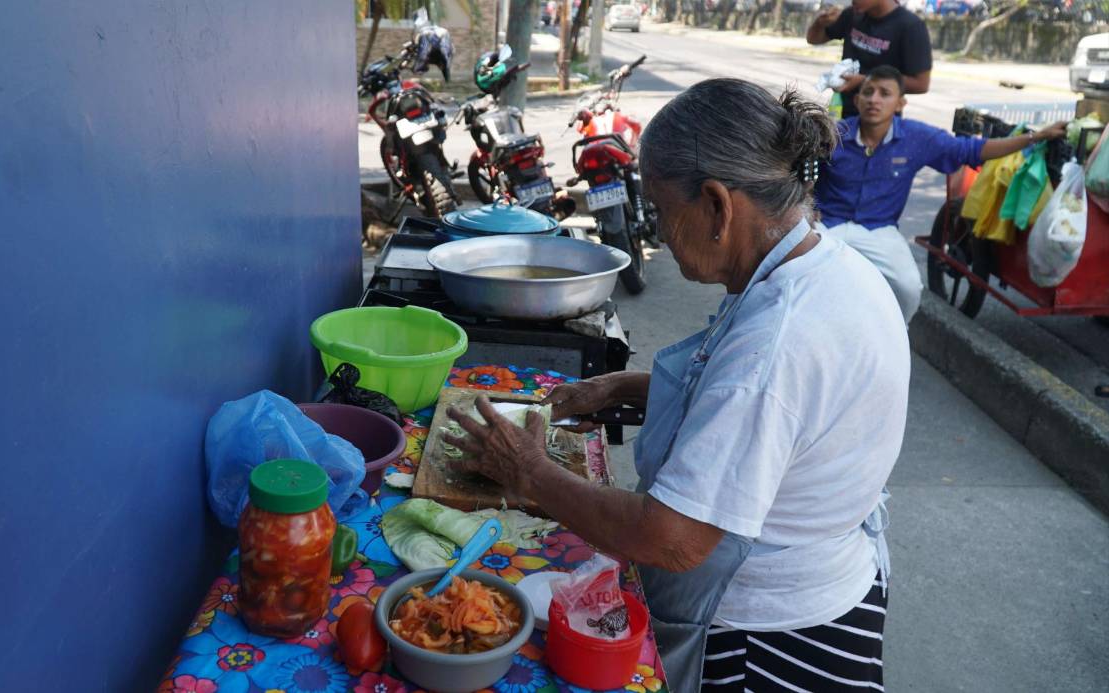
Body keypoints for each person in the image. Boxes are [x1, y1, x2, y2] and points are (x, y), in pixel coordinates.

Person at [444, 79, 910, 690]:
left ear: (718, 205)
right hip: (839, 579)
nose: (658, 232)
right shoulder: (832, 261)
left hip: (767, 634)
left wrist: (528, 470)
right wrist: (626, 387)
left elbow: (673, 539)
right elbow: (767, 419)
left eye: (663, 210)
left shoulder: (775, 345)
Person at [814, 65, 1068, 323]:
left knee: (909, 287)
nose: (874, 99)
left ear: (900, 103)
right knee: (798, 278)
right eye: (868, 92)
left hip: (877, 229)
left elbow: (972, 149)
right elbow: (798, 171)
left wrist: (1035, 137)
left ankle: (893, 343)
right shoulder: (834, 134)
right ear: (856, 100)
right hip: (826, 223)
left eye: (884, 93)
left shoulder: (916, 137)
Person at [807, 0, 932, 118]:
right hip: (843, 113)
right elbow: (814, 39)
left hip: (880, 121)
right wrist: (819, 23)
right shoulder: (852, 14)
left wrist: (865, 80)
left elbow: (921, 84)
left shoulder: (910, 26)